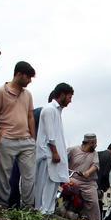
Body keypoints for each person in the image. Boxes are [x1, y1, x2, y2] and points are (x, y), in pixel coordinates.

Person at [0, 61, 36, 208]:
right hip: (7, 139)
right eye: (28, 77)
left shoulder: (28, 94)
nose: (29, 81)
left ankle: (28, 206)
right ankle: (3, 206)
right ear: (18, 74)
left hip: (26, 141)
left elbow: (30, 116)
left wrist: (32, 137)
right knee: (4, 176)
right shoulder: (0, 92)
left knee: (29, 176)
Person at [35, 82, 73, 213]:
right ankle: (43, 211)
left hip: (54, 154)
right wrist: (55, 153)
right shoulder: (49, 109)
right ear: (61, 95)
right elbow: (50, 136)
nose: (70, 101)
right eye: (69, 97)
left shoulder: (57, 111)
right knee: (46, 184)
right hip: (49, 154)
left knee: (54, 183)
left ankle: (48, 210)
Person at [68, 133, 101, 220]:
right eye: (95, 143)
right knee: (64, 189)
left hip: (88, 183)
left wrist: (88, 172)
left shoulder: (94, 153)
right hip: (73, 178)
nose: (96, 145)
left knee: (94, 203)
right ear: (90, 142)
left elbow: (95, 165)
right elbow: (62, 159)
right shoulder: (73, 150)